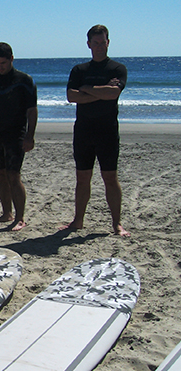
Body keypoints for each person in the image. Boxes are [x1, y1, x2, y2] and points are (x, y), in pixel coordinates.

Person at [62, 25, 130, 237]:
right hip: (83, 130)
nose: (99, 47)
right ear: (89, 44)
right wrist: (101, 92)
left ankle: (117, 224)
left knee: (110, 177)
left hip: (107, 131)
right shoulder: (79, 70)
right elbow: (71, 97)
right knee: (82, 178)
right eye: (96, 43)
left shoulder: (117, 69)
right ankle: (78, 221)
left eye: (103, 42)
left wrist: (87, 89)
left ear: (108, 43)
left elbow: (113, 94)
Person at [0, 42, 37, 231]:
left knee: (14, 175)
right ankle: (6, 213)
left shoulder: (24, 81)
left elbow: (32, 110)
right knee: (0, 175)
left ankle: (20, 217)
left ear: (11, 58)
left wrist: (30, 135)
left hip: (16, 133)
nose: (0, 67)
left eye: (3, 63)